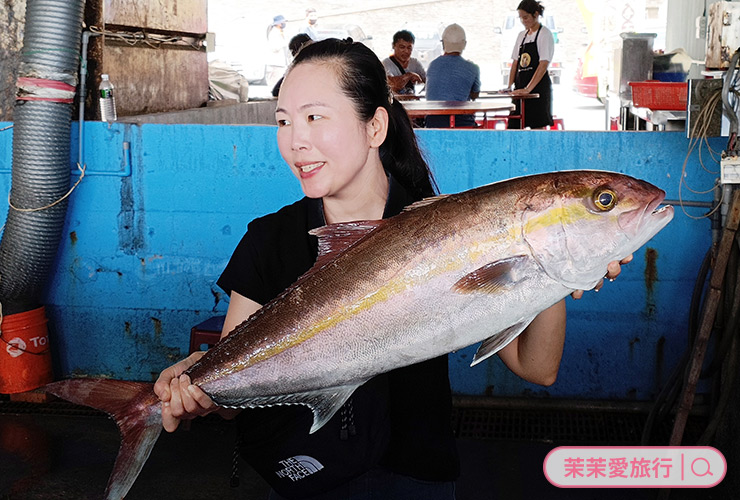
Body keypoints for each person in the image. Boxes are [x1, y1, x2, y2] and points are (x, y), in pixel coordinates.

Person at [154, 38, 630, 500]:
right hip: (303, 473)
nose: (295, 141)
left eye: (315, 117)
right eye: (283, 121)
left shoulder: (453, 230)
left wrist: (560, 272)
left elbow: (538, 367)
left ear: (375, 127)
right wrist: (193, 385)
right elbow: (233, 383)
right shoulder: (270, 240)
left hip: (416, 474)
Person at [507, 0, 555, 129]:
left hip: (538, 89)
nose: (523, 21)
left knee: (537, 128)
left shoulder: (544, 34)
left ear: (536, 14)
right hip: (520, 88)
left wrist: (528, 89)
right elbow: (515, 62)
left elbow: (543, 64)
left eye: (526, 17)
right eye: (521, 18)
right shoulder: (521, 35)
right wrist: (509, 85)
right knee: (514, 126)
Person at [425, 23, 481, 128]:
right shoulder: (473, 68)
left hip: (433, 122)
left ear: (443, 44)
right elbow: (475, 94)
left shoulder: (432, 65)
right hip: (463, 123)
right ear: (464, 44)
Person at [382, 30, 426, 96]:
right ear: (393, 46)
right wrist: (409, 75)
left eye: (409, 48)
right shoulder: (386, 64)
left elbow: (428, 81)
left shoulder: (415, 63)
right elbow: (393, 85)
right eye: (402, 47)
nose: (406, 51)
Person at [266, 15, 290, 88]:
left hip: (280, 63)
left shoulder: (280, 32)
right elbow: (274, 47)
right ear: (278, 23)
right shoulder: (274, 33)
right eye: (283, 22)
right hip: (275, 62)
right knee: (275, 82)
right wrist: (284, 43)